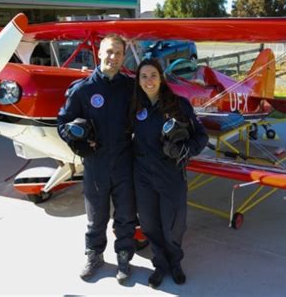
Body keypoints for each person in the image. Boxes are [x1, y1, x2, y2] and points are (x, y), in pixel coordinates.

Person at [57, 34, 136, 284]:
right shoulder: (83, 90)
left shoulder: (131, 88)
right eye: (109, 52)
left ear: (124, 57)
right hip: (96, 162)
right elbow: (63, 124)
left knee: (125, 214)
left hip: (125, 161)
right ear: (99, 54)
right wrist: (77, 142)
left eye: (118, 53)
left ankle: (124, 256)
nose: (113, 57)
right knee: (96, 216)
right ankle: (94, 255)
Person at [129, 58, 208, 288]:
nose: (148, 80)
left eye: (153, 75)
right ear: (139, 81)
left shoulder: (179, 105)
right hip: (143, 176)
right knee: (150, 225)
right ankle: (160, 264)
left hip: (171, 174)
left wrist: (185, 151)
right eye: (143, 76)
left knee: (173, 225)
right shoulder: (135, 107)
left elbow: (201, 137)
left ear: (161, 77)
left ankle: (175, 263)